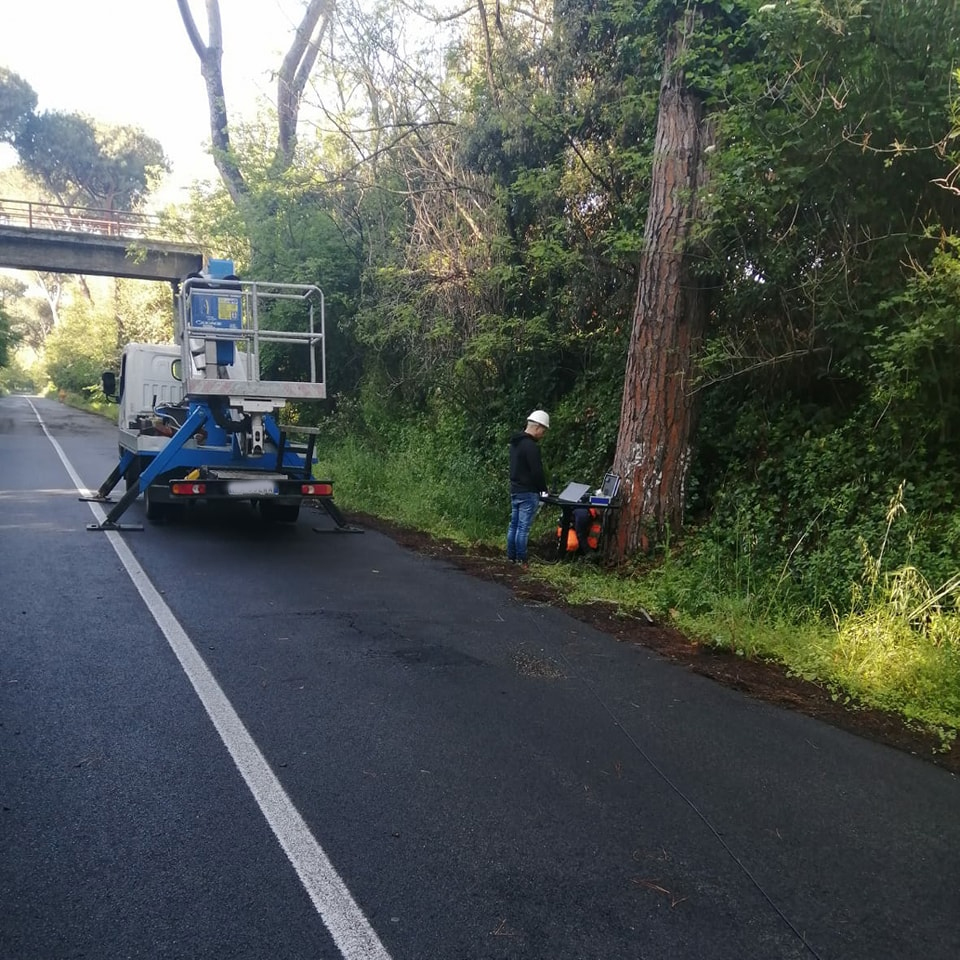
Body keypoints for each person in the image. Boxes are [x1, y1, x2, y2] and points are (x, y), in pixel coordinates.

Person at [507, 409, 550, 567]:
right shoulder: (530, 446)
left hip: (515, 489)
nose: (542, 434)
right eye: (543, 431)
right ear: (537, 427)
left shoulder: (515, 443)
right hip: (528, 492)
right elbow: (536, 471)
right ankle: (522, 559)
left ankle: (511, 557)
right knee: (523, 527)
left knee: (514, 525)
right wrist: (543, 490)